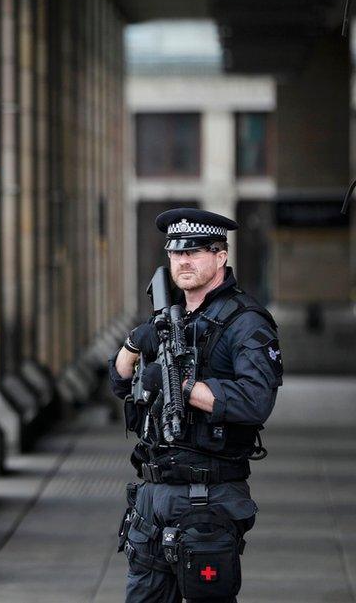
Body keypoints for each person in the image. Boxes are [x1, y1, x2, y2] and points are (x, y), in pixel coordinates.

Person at [110, 208, 283, 603]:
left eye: (196, 252)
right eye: (175, 253)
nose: (183, 261)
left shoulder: (247, 322)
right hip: (152, 497)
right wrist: (133, 346)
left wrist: (182, 387)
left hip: (208, 496)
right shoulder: (169, 320)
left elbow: (255, 401)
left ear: (221, 256)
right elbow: (120, 384)